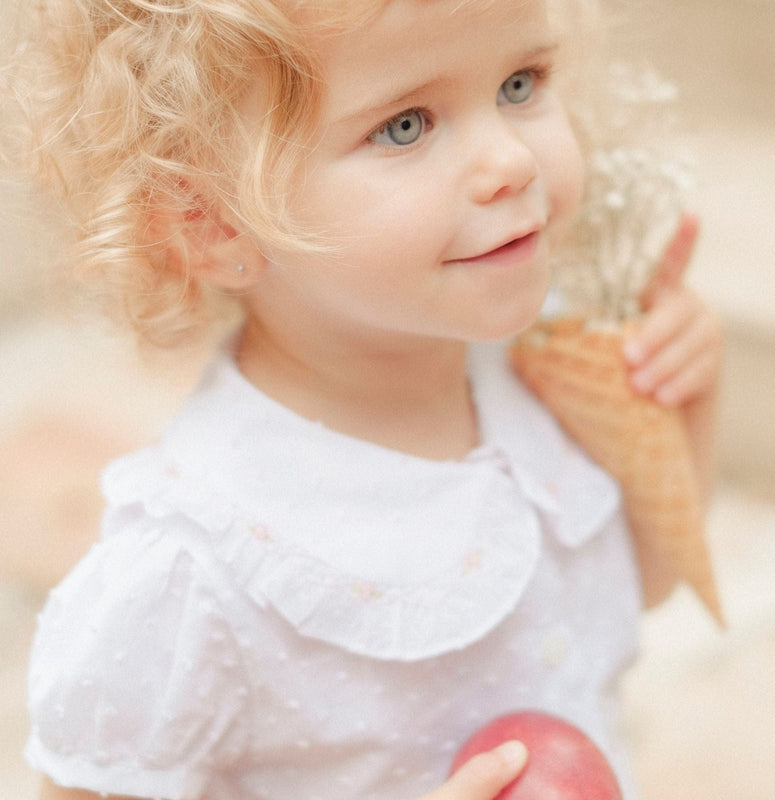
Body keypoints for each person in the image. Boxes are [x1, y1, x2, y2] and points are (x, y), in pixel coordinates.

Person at [7, 0, 723, 798]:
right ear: (211, 223)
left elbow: (641, 585)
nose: (511, 159)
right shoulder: (199, 574)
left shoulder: (540, 370)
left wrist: (682, 401)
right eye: (406, 126)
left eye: (520, 83)